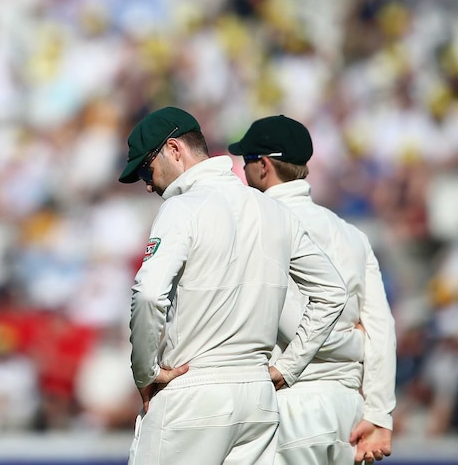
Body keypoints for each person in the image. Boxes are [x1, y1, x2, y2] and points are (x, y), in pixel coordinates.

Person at [118, 107, 348, 465]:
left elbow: (149, 294)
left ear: (174, 150)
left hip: (193, 393)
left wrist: (146, 372)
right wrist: (288, 367)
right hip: (257, 399)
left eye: (146, 169)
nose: (147, 184)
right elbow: (332, 291)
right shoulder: (273, 210)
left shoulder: (183, 207)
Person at [229, 114, 397, 464]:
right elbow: (381, 329)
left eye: (246, 163)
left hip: (289, 404)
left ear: (262, 165)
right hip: (350, 411)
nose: (242, 173)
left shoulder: (259, 227)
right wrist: (379, 413)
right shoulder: (351, 234)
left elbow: (293, 320)